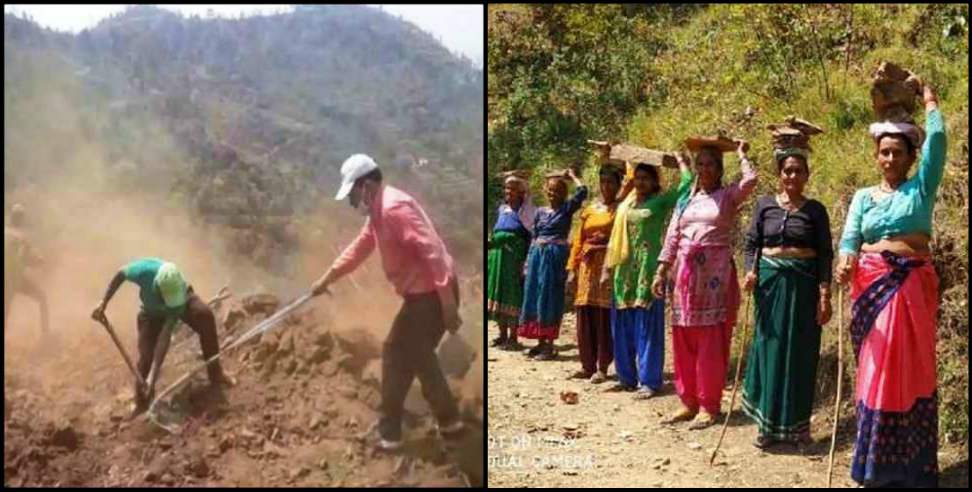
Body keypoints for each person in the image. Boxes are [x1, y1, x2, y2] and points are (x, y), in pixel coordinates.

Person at [310, 154, 464, 452]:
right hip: (422, 296)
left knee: (404, 352)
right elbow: (358, 250)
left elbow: (431, 253)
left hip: (432, 295)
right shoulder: (378, 214)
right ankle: (430, 425)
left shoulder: (393, 209)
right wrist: (326, 280)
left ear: (366, 185)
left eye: (353, 195)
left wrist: (447, 305)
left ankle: (406, 430)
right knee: (407, 354)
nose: (352, 203)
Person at [835, 82, 945, 488]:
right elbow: (849, 238)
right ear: (876, 155)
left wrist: (930, 100)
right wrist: (845, 261)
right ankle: (875, 466)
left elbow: (939, 142)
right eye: (884, 151)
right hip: (873, 288)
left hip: (911, 289)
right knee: (877, 369)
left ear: (911, 156)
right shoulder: (864, 197)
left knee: (913, 371)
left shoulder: (921, 188)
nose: (890, 158)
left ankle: (913, 468)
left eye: (898, 152)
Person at [740, 117, 833, 448]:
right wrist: (750, 271)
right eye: (787, 170)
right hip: (770, 285)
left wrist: (825, 295)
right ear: (779, 174)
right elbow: (752, 244)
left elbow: (825, 254)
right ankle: (766, 427)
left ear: (807, 175)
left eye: (799, 171)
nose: (792, 176)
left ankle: (798, 428)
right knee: (770, 348)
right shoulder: (764, 206)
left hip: (804, 288)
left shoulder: (816, 211)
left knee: (801, 354)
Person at [652, 138, 757, 430]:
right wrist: (661, 270)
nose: (705, 168)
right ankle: (688, 402)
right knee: (683, 337)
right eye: (701, 163)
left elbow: (751, 180)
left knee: (711, 340)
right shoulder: (686, 199)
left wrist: (740, 154)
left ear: (720, 169)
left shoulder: (727, 196)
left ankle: (709, 405)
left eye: (711, 164)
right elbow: (673, 235)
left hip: (714, 273)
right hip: (684, 274)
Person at [91, 258, 235, 416]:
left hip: (180, 303)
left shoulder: (177, 295)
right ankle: (142, 401)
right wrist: (103, 302)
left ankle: (216, 374)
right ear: (158, 289)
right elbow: (120, 274)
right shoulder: (143, 272)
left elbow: (164, 337)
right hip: (151, 313)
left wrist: (153, 376)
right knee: (146, 356)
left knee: (205, 316)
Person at [603, 155, 693, 396]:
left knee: (648, 325)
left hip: (648, 268)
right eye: (637, 178)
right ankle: (626, 377)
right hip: (624, 270)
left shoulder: (660, 202)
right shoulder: (627, 204)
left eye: (646, 179)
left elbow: (687, 185)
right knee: (622, 325)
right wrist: (608, 268)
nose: (640, 183)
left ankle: (649, 381)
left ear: (655, 182)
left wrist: (683, 162)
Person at [518, 168, 587, 361]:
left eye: (557, 190)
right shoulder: (540, 212)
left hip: (555, 257)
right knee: (534, 294)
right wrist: (527, 262)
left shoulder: (566, 209)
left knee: (550, 296)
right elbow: (535, 236)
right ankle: (539, 342)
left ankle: (549, 345)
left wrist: (572, 176)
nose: (552, 193)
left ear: (564, 193)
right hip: (537, 256)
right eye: (550, 190)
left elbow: (583, 192)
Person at [566, 163, 626, 383]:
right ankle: (586, 365)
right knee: (585, 314)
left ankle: (602, 366)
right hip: (587, 266)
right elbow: (578, 240)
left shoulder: (621, 209)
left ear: (619, 185)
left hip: (607, 264)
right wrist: (571, 268)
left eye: (611, 182)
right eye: (603, 182)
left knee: (603, 316)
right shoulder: (590, 209)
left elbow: (620, 239)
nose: (606, 186)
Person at [487, 172, 533, 351]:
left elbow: (530, 235)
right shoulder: (502, 209)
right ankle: (502, 334)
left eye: (513, 189)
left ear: (521, 193)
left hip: (514, 257)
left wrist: (525, 261)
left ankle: (514, 337)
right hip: (497, 257)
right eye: (507, 188)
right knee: (497, 291)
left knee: (512, 294)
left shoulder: (525, 212)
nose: (509, 192)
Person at [4, 203, 50, 342]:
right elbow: (29, 258)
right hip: (16, 279)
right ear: (21, 219)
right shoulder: (21, 238)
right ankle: (46, 335)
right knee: (42, 298)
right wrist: (42, 261)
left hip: (11, 279)